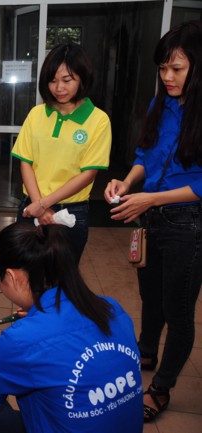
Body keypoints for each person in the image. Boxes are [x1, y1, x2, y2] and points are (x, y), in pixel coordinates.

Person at [0, 223, 143, 433]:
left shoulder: (20, 341)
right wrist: (38, 318)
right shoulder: (112, 308)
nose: (1, 287)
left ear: (11, 276)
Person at [104, 20, 202, 423]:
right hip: (152, 217)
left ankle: (161, 387)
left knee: (178, 310)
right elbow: (146, 156)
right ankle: (146, 352)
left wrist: (153, 198)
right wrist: (126, 183)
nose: (167, 77)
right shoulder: (159, 105)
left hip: (188, 224)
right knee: (152, 296)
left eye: (176, 68)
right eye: (163, 68)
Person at [12, 43, 112, 263]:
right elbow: (25, 162)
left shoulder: (98, 120)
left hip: (71, 213)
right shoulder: (36, 114)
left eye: (67, 80)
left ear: (82, 79)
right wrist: (39, 206)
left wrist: (43, 205)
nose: (59, 88)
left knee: (62, 276)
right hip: (31, 207)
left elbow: (88, 174)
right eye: (53, 80)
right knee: (26, 274)